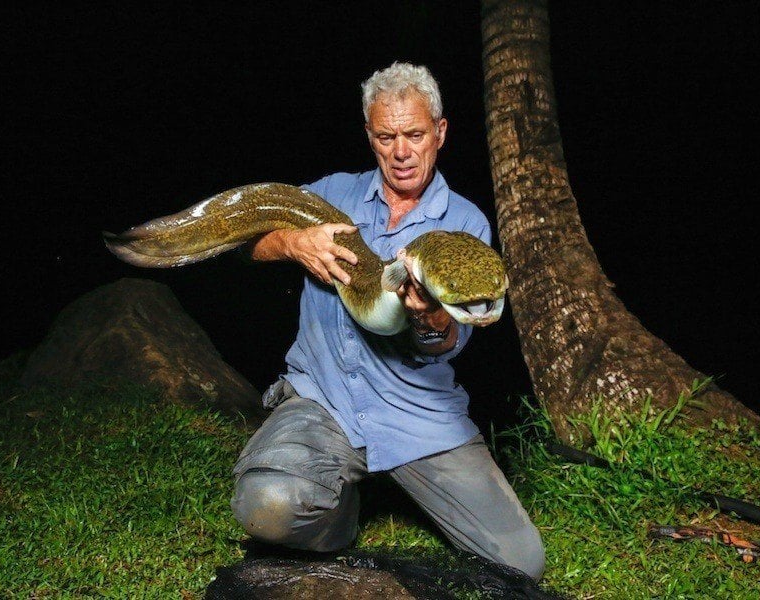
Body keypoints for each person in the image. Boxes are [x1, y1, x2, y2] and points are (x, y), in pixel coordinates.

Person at [230, 62, 545, 580]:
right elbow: (244, 245)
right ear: (370, 137)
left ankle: (396, 478)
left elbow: (448, 341)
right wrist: (291, 242)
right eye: (386, 136)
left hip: (417, 414)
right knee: (267, 505)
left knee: (520, 564)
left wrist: (429, 320)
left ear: (440, 133)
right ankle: (341, 517)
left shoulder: (466, 224)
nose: (401, 152)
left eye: (415, 135)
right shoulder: (330, 195)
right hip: (322, 398)